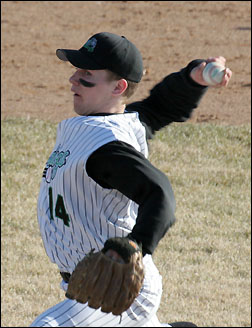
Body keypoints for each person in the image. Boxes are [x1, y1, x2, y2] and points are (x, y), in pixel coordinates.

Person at [30, 32, 232, 327]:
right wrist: (193, 78)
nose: (74, 79)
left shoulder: (106, 148)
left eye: (87, 74)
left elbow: (159, 193)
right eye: (77, 70)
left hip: (120, 285)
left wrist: (134, 247)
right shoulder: (114, 123)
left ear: (119, 87)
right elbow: (159, 106)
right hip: (94, 283)